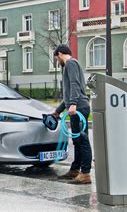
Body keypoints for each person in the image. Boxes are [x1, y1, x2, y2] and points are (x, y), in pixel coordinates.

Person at [52, 44, 92, 184]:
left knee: (83, 140)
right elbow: (68, 95)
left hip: (79, 107)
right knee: (77, 141)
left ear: (60, 54)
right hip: (76, 107)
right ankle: (75, 170)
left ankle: (85, 174)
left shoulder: (70, 63)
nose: (58, 62)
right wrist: (58, 111)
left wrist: (74, 103)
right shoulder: (70, 65)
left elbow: (74, 85)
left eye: (57, 58)